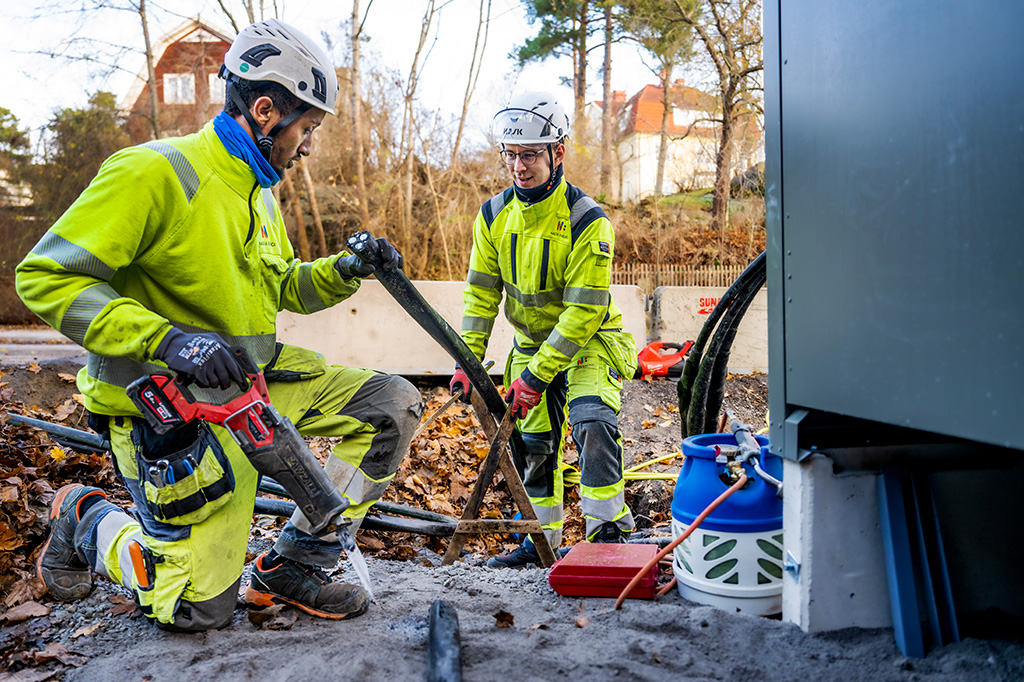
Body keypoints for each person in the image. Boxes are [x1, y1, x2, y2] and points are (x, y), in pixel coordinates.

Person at [16, 19, 423, 630]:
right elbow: (46, 278)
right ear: (265, 111)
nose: (307, 145)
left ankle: (295, 564)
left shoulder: (255, 190)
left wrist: (347, 268)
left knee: (391, 403)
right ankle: (84, 516)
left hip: (252, 386)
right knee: (196, 609)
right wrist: (168, 340)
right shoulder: (154, 172)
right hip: (168, 408)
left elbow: (282, 286)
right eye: (306, 128)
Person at [450, 92, 639, 569]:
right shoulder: (493, 216)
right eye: (511, 155)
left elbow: (582, 314)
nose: (519, 166)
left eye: (531, 154)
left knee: (592, 423)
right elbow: (479, 298)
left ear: (558, 153)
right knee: (531, 444)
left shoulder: (586, 220)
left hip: (589, 343)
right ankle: (540, 541)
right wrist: (467, 363)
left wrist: (535, 378)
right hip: (531, 346)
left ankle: (608, 532)